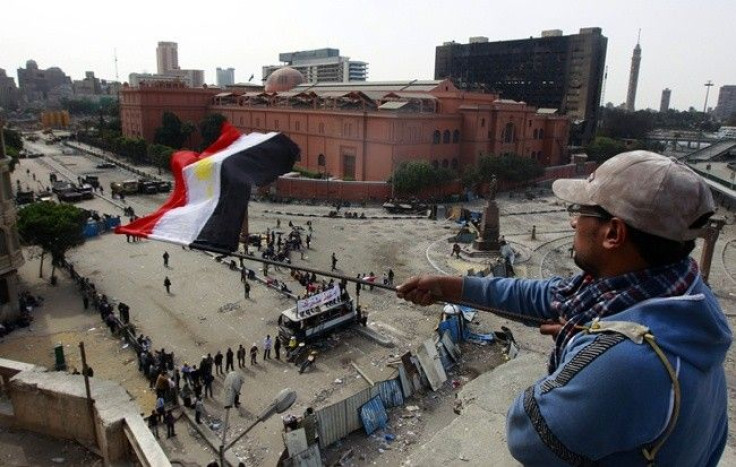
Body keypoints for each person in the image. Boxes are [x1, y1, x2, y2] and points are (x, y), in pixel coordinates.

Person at [396, 151, 732, 466]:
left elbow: (526, 432)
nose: (573, 223)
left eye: (581, 212)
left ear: (613, 233)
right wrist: (447, 287)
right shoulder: (681, 296)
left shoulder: (624, 363)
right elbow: (548, 296)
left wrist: (575, 341)